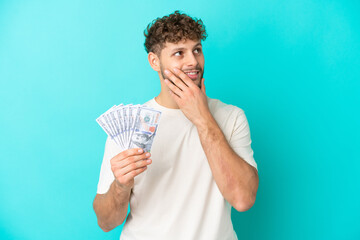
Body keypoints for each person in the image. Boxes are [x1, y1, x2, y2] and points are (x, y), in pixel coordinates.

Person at [93, 10, 259, 240]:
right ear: (154, 61)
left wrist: (202, 118)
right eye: (179, 53)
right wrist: (121, 187)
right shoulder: (130, 125)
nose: (193, 61)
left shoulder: (231, 117)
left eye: (197, 50)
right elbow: (105, 222)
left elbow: (243, 199)